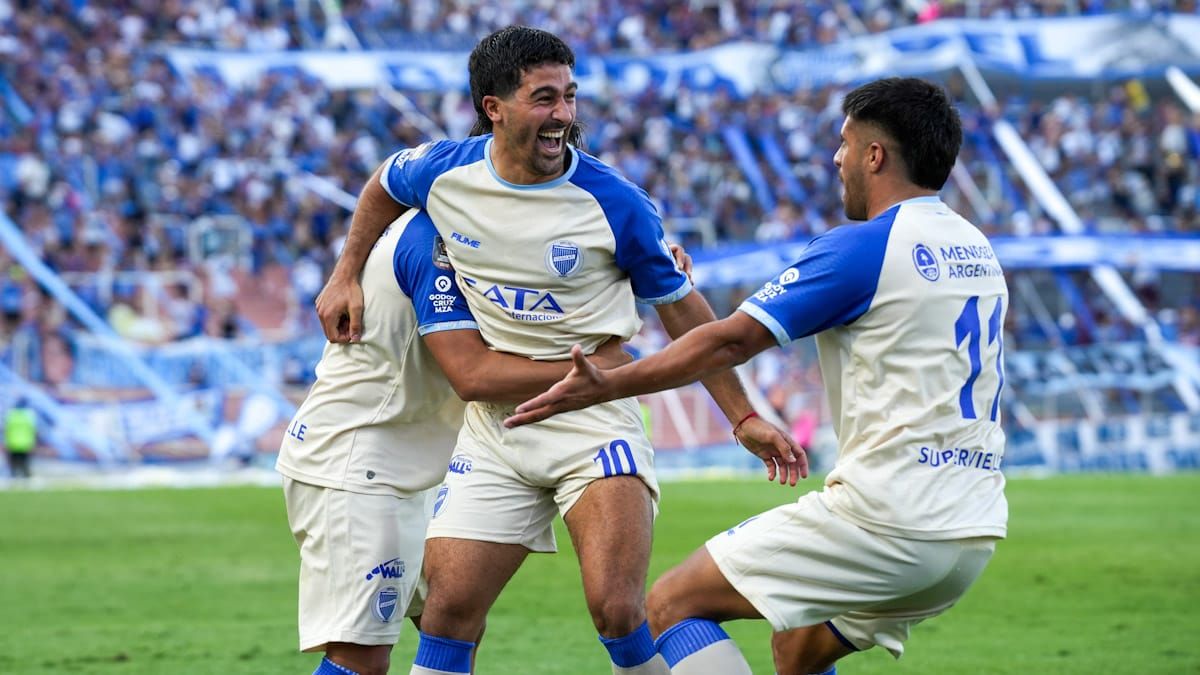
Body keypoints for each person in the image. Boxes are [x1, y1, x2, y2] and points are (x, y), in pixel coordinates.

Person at [314, 26, 804, 675]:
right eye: (545, 98)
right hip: (498, 429)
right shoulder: (447, 171)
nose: (565, 115)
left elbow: (686, 311)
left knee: (617, 608)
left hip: (594, 422)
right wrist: (345, 271)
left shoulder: (615, 202)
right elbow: (382, 182)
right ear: (495, 107)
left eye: (570, 97)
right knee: (448, 611)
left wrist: (741, 415)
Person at [505, 77, 1009, 675]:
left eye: (845, 144)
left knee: (669, 605)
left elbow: (730, 340)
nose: (836, 158)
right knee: (798, 648)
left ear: (876, 156)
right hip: (971, 531)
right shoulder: (976, 246)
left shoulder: (865, 248)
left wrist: (609, 384)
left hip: (890, 520)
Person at [278, 208, 639, 675]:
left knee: (454, 621)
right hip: (357, 462)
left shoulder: (472, 229)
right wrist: (599, 370)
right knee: (361, 657)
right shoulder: (434, 242)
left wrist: (630, 267)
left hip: (411, 464)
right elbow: (473, 373)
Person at [4, 397, 36, 478]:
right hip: (25, 442)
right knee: (25, 462)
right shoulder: (29, 415)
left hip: (13, 442)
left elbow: (6, 429)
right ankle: (26, 476)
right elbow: (32, 430)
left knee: (14, 462)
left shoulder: (11, 415)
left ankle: (14, 476)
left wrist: (6, 442)